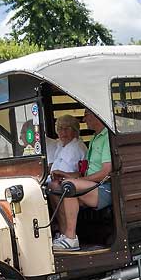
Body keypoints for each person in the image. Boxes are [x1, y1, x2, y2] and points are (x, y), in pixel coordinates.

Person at [52, 108, 112, 252]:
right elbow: (85, 171)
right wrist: (65, 174)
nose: (84, 120)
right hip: (93, 186)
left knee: (69, 187)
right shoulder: (95, 138)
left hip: (105, 188)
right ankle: (64, 233)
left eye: (86, 115)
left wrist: (79, 180)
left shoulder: (107, 138)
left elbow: (105, 172)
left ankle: (71, 239)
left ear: (97, 115)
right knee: (55, 187)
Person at [46, 114, 87, 183]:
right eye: (60, 128)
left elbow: (78, 173)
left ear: (75, 131)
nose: (63, 132)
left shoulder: (77, 147)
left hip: (68, 184)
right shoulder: (60, 145)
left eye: (67, 128)